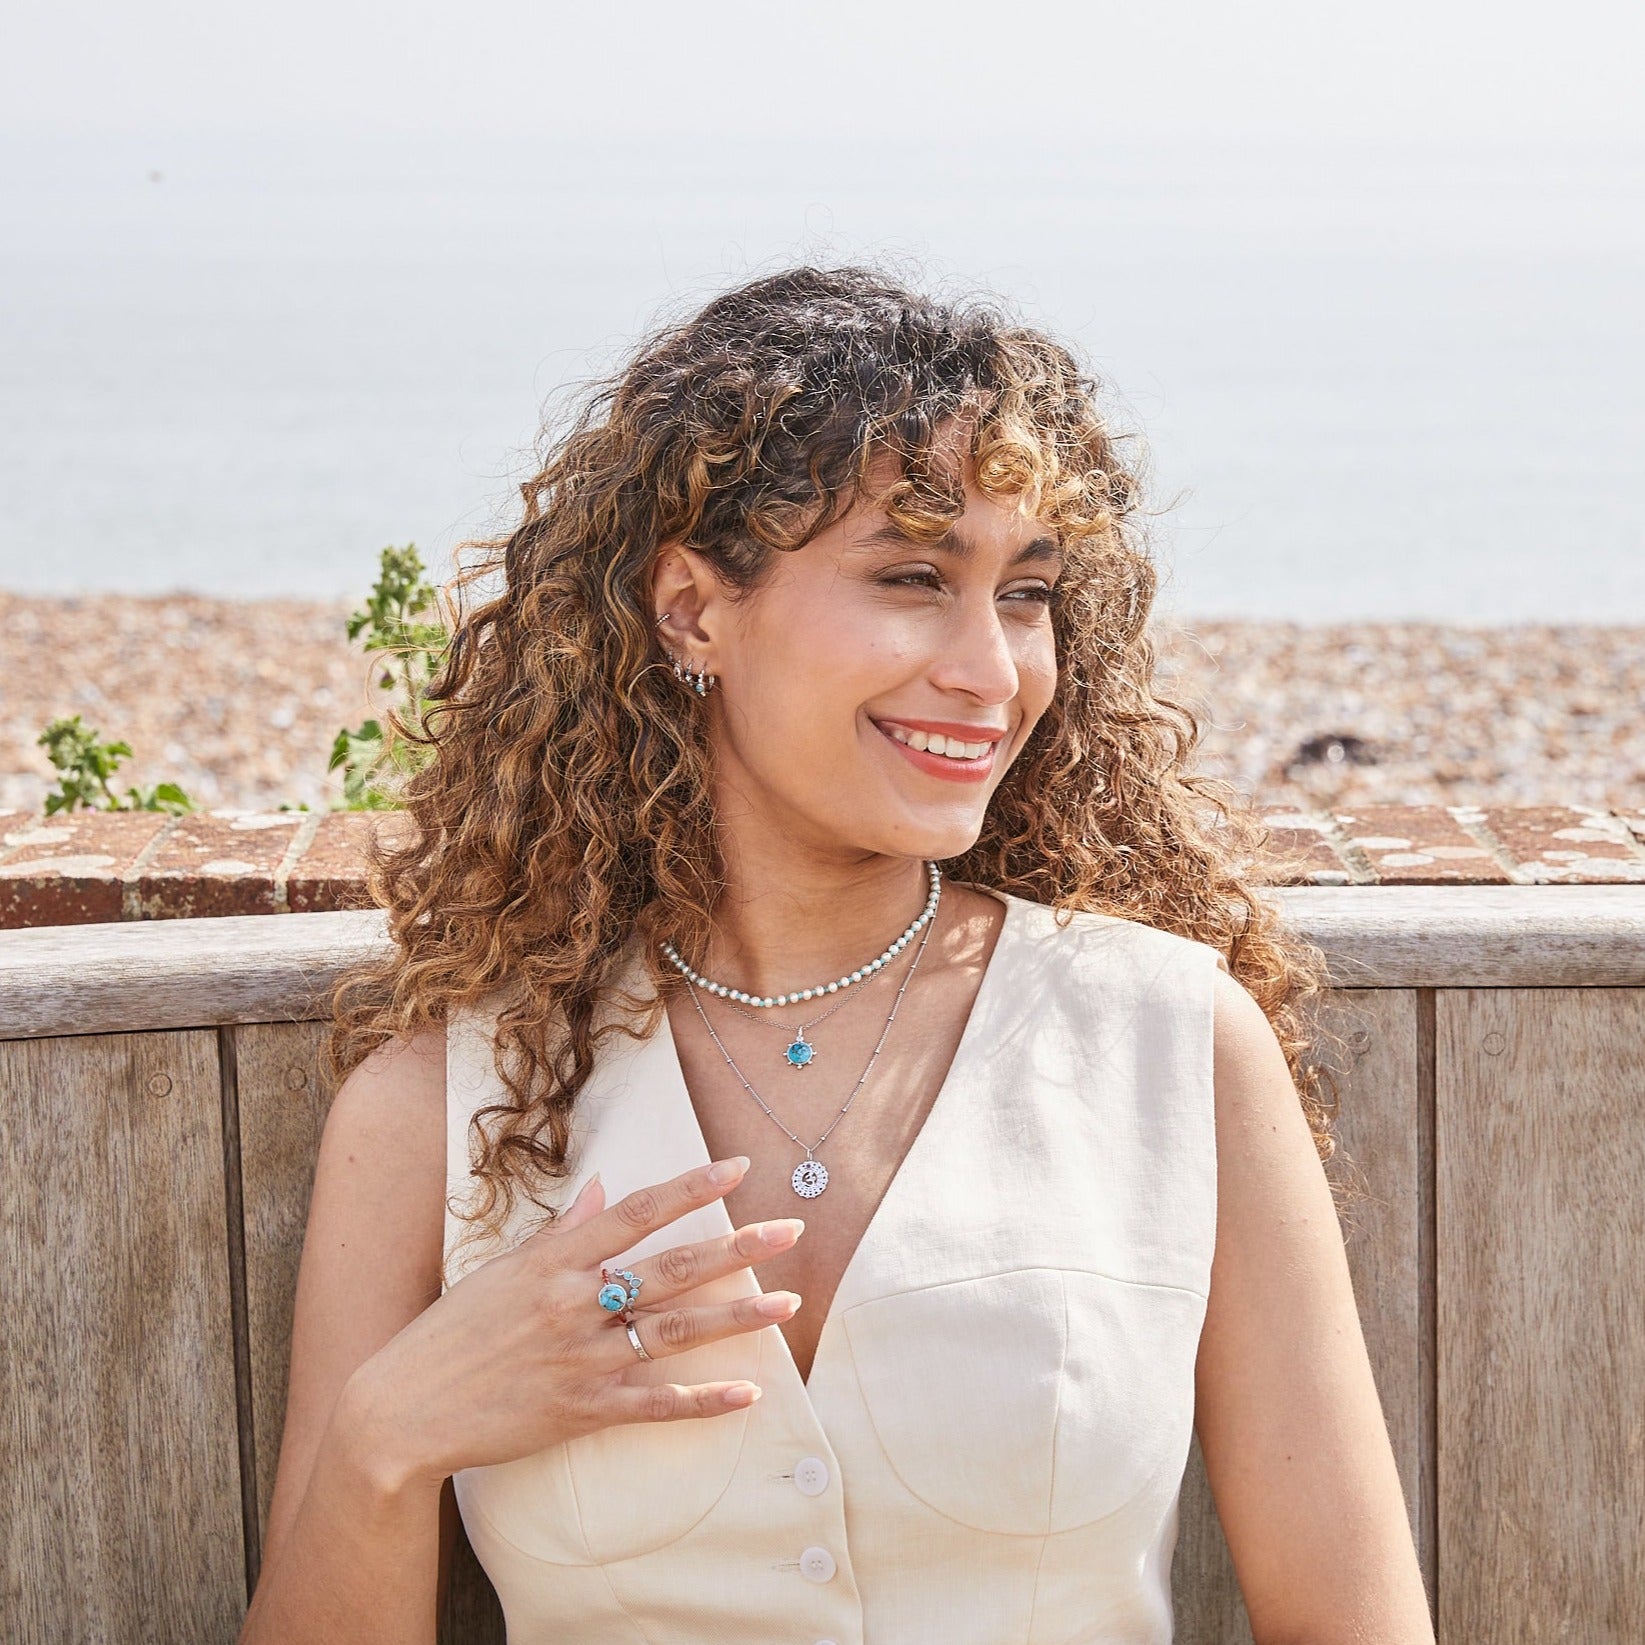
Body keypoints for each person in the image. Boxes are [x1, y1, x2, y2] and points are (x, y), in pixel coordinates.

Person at [238, 264, 1436, 1643]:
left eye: (1027, 594)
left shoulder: (1172, 1040)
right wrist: (390, 1427)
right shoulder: (436, 1110)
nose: (991, 671)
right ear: (691, 608)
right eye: (913, 579)